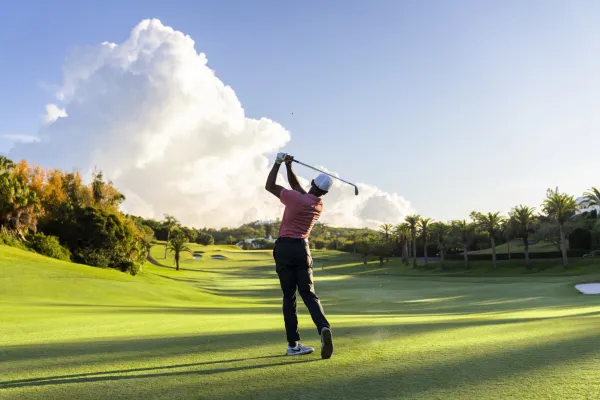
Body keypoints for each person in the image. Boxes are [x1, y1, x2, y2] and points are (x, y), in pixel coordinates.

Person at [265, 152, 334, 359]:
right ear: (324, 193)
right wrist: (289, 166)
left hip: (285, 248)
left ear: (312, 182)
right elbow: (299, 189)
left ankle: (293, 344)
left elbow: (270, 185)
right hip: (302, 250)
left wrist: (278, 163)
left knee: (289, 297)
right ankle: (323, 327)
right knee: (309, 294)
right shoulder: (318, 205)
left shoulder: (295, 198)